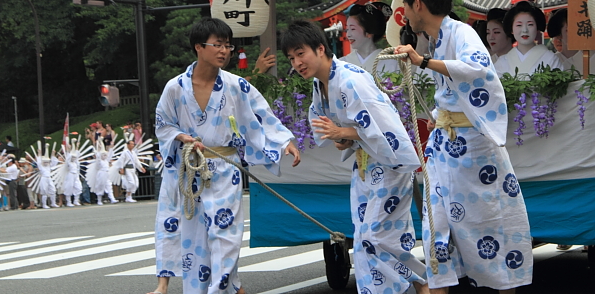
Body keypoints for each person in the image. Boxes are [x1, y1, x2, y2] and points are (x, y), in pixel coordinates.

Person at [394, 0, 532, 293]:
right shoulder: (437, 38)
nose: (404, 13)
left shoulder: (461, 33)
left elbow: (477, 68)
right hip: (445, 148)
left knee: (490, 231)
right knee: (435, 231)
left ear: (418, 4)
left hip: (474, 152)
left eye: (405, 5)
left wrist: (423, 62)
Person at [154, 17, 300, 294]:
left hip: (224, 169)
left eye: (228, 46)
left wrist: (284, 142)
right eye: (217, 45)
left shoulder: (236, 86)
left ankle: (220, 290)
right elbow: (163, 125)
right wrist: (181, 137)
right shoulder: (175, 87)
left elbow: (261, 114)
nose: (224, 51)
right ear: (199, 47)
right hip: (189, 171)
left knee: (226, 235)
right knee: (195, 240)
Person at [282, 20, 429, 294]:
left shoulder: (350, 79)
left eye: (300, 53)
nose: (297, 62)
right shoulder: (321, 84)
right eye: (291, 58)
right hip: (364, 166)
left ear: (320, 48)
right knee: (366, 239)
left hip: (389, 165)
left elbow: (384, 128)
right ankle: (422, 284)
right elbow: (352, 131)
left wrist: (343, 131)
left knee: (375, 237)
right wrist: (344, 137)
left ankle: (416, 285)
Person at [494, 1, 563, 78]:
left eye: (530, 24)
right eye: (519, 25)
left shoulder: (551, 58)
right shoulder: (502, 62)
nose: (525, 30)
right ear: (512, 30)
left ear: (537, 28)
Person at [342, 2, 398, 74]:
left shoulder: (393, 64)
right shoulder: (342, 64)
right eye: (347, 29)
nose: (348, 35)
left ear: (369, 32)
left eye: (353, 29)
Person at [546, 8, 595, 76]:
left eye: (579, 27)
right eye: (569, 29)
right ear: (559, 35)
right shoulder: (553, 61)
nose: (577, 32)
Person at [87, 139, 118, 205]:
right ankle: (99, 200)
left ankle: (112, 198)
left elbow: (110, 155)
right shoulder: (99, 161)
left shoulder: (106, 161)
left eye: (105, 155)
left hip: (107, 174)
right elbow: (98, 158)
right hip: (101, 174)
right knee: (100, 186)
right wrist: (98, 150)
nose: (105, 156)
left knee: (109, 185)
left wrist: (111, 147)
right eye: (103, 155)